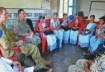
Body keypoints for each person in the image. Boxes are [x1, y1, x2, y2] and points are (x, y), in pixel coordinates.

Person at [0, 7, 52, 72]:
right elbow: (6, 45)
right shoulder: (0, 29)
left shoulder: (3, 26)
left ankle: (41, 62)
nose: (7, 15)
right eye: (5, 14)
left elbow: (10, 37)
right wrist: (17, 43)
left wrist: (18, 40)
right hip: (11, 51)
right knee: (34, 47)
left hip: (15, 44)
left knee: (33, 44)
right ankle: (42, 65)